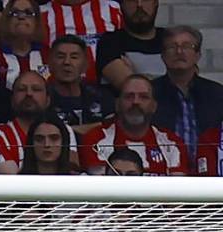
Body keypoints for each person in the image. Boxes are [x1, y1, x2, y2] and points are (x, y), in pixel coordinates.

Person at [80, 73, 188, 175]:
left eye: (143, 97)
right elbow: (101, 189)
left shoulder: (172, 143)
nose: (136, 102)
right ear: (117, 104)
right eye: (129, 96)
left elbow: (177, 190)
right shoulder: (95, 140)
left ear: (154, 106)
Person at [152, 26, 223, 158]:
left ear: (198, 55)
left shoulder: (217, 94)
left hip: (210, 169)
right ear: (162, 56)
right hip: (164, 168)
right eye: (172, 47)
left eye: (186, 46)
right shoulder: (150, 93)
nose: (179, 51)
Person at [0, 69, 65, 174]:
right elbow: (12, 184)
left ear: (48, 100)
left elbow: (71, 168)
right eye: (22, 89)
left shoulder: (64, 130)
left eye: (36, 89)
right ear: (12, 99)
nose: (29, 94)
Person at [47, 34, 113, 134]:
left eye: (74, 57)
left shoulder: (102, 96)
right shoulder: (42, 98)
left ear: (85, 64)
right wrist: (97, 126)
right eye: (61, 57)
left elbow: (112, 127)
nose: (67, 62)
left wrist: (67, 130)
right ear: (50, 64)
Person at [96, 0, 165, 91]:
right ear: (121, 5)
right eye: (132, 0)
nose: (139, 5)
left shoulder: (170, 39)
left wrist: (136, 76)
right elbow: (135, 90)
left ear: (155, 3)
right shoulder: (109, 42)